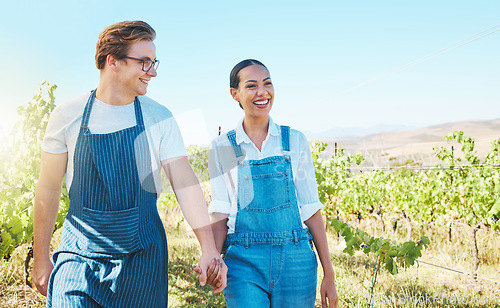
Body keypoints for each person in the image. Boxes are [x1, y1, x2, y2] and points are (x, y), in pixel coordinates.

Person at [32, 20, 225, 307]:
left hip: (143, 261)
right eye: (144, 62)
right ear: (113, 62)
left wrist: (208, 246)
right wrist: (41, 258)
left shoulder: (158, 117)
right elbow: (48, 189)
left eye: (154, 62)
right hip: (79, 258)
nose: (154, 71)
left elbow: (184, 183)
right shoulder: (68, 115)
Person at [208, 59, 339, 308]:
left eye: (267, 84)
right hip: (243, 259)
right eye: (252, 86)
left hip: (296, 258)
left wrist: (329, 273)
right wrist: (215, 261)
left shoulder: (294, 142)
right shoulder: (223, 147)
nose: (262, 92)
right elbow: (220, 210)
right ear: (234, 93)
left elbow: (311, 209)